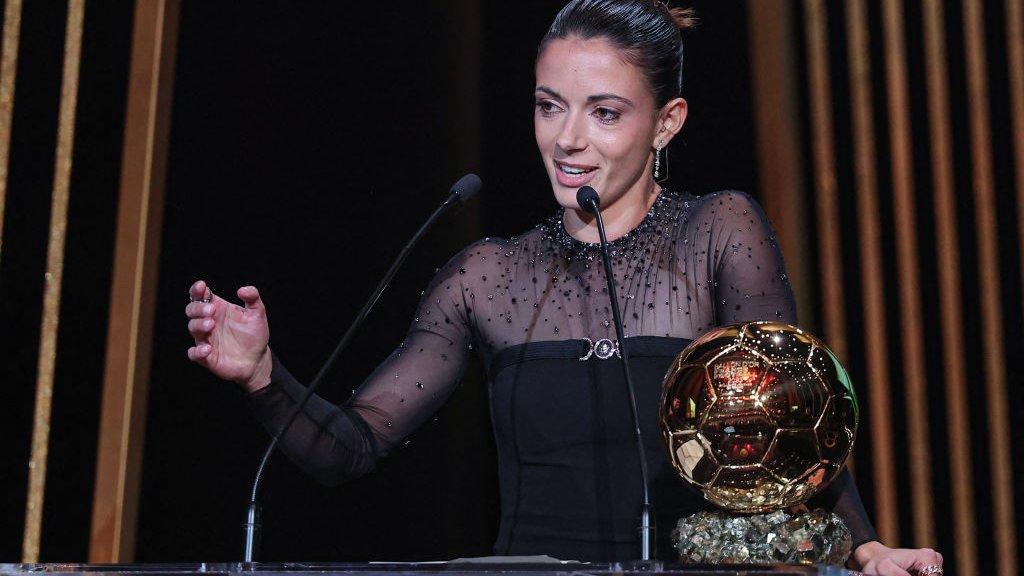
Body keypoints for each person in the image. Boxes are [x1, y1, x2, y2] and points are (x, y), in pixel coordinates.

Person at [185, 1, 943, 574]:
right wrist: (263, 376)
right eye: (550, 106)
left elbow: (795, 426)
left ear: (666, 122)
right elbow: (348, 448)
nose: (567, 139)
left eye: (604, 113)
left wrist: (865, 548)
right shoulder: (488, 274)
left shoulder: (717, 232)